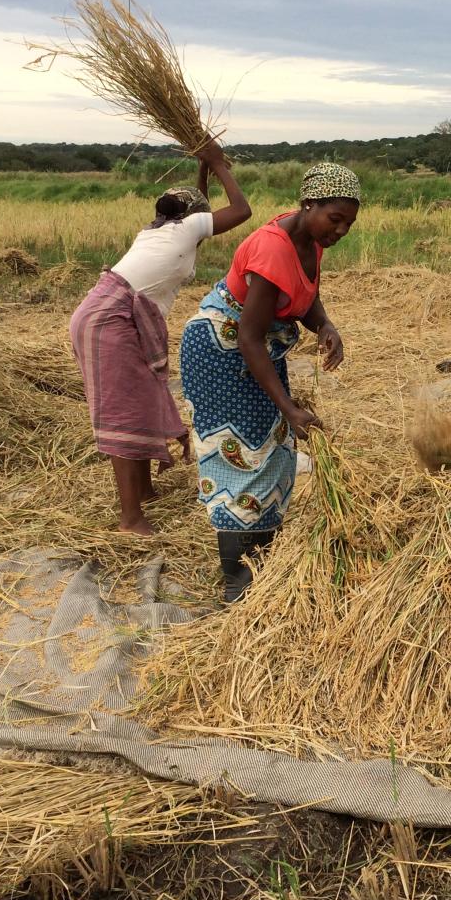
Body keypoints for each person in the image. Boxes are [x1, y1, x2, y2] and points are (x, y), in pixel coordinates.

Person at [180, 163, 359, 602]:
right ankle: (238, 585)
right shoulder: (272, 249)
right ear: (308, 204)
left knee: (274, 447)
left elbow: (305, 295)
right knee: (240, 452)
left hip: (255, 348)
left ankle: (261, 559)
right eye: (335, 219)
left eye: (349, 223)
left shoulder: (310, 239)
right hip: (223, 351)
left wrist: (326, 326)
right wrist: (289, 405)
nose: (340, 231)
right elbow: (248, 337)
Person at [70, 141, 251, 536]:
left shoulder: (162, 231)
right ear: (192, 218)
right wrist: (219, 164)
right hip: (110, 320)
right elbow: (242, 210)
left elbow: (200, 209)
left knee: (142, 400)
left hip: (107, 312)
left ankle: (146, 490)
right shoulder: (183, 229)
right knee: (123, 411)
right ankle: (130, 519)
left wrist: (203, 167)